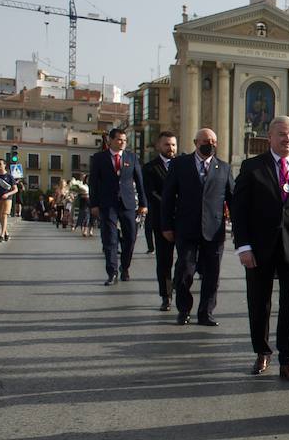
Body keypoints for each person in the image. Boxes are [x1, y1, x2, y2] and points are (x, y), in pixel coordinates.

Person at [232, 117, 289, 381]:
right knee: (259, 302)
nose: (288, 140)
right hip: (259, 248)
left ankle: (288, 360)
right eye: (283, 135)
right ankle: (262, 352)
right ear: (270, 137)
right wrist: (243, 246)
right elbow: (239, 211)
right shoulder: (252, 167)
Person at [160, 128, 234, 326]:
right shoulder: (179, 165)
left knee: (212, 275)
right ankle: (184, 310)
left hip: (214, 230)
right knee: (184, 271)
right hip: (186, 228)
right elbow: (168, 197)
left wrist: (240, 228)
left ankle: (206, 313)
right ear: (196, 142)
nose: (209, 144)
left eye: (212, 141)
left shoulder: (224, 168)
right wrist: (166, 225)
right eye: (204, 140)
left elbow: (232, 199)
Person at [87, 127, 148, 285]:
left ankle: (125, 267)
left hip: (127, 203)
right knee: (110, 239)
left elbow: (140, 182)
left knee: (130, 236)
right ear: (111, 141)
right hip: (108, 204)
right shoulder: (99, 158)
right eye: (119, 140)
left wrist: (143, 203)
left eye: (125, 140)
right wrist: (93, 204)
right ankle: (112, 272)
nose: (122, 143)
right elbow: (93, 183)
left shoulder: (132, 158)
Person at [143, 132, 179, 311]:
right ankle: (166, 296)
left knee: (186, 260)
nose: (171, 148)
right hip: (162, 221)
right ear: (159, 146)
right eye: (167, 145)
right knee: (164, 260)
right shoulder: (149, 168)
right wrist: (172, 203)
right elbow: (152, 194)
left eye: (173, 145)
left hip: (183, 220)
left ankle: (178, 286)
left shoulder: (184, 164)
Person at [0, 159, 18, 242]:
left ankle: (2, 235)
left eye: (0, 164)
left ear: (4, 165)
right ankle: (6, 233)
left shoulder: (10, 176)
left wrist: (7, 194)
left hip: (7, 198)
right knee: (0, 217)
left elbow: (15, 189)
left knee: (4, 215)